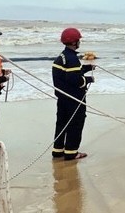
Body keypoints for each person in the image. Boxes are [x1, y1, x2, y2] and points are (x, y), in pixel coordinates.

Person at [51, 27, 95, 161]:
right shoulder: (72, 58)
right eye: (78, 40)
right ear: (75, 42)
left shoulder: (62, 56)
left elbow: (71, 73)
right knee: (75, 124)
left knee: (62, 123)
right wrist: (89, 79)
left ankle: (58, 150)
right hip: (74, 99)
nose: (79, 42)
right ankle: (71, 152)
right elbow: (75, 79)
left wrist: (88, 68)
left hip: (62, 98)